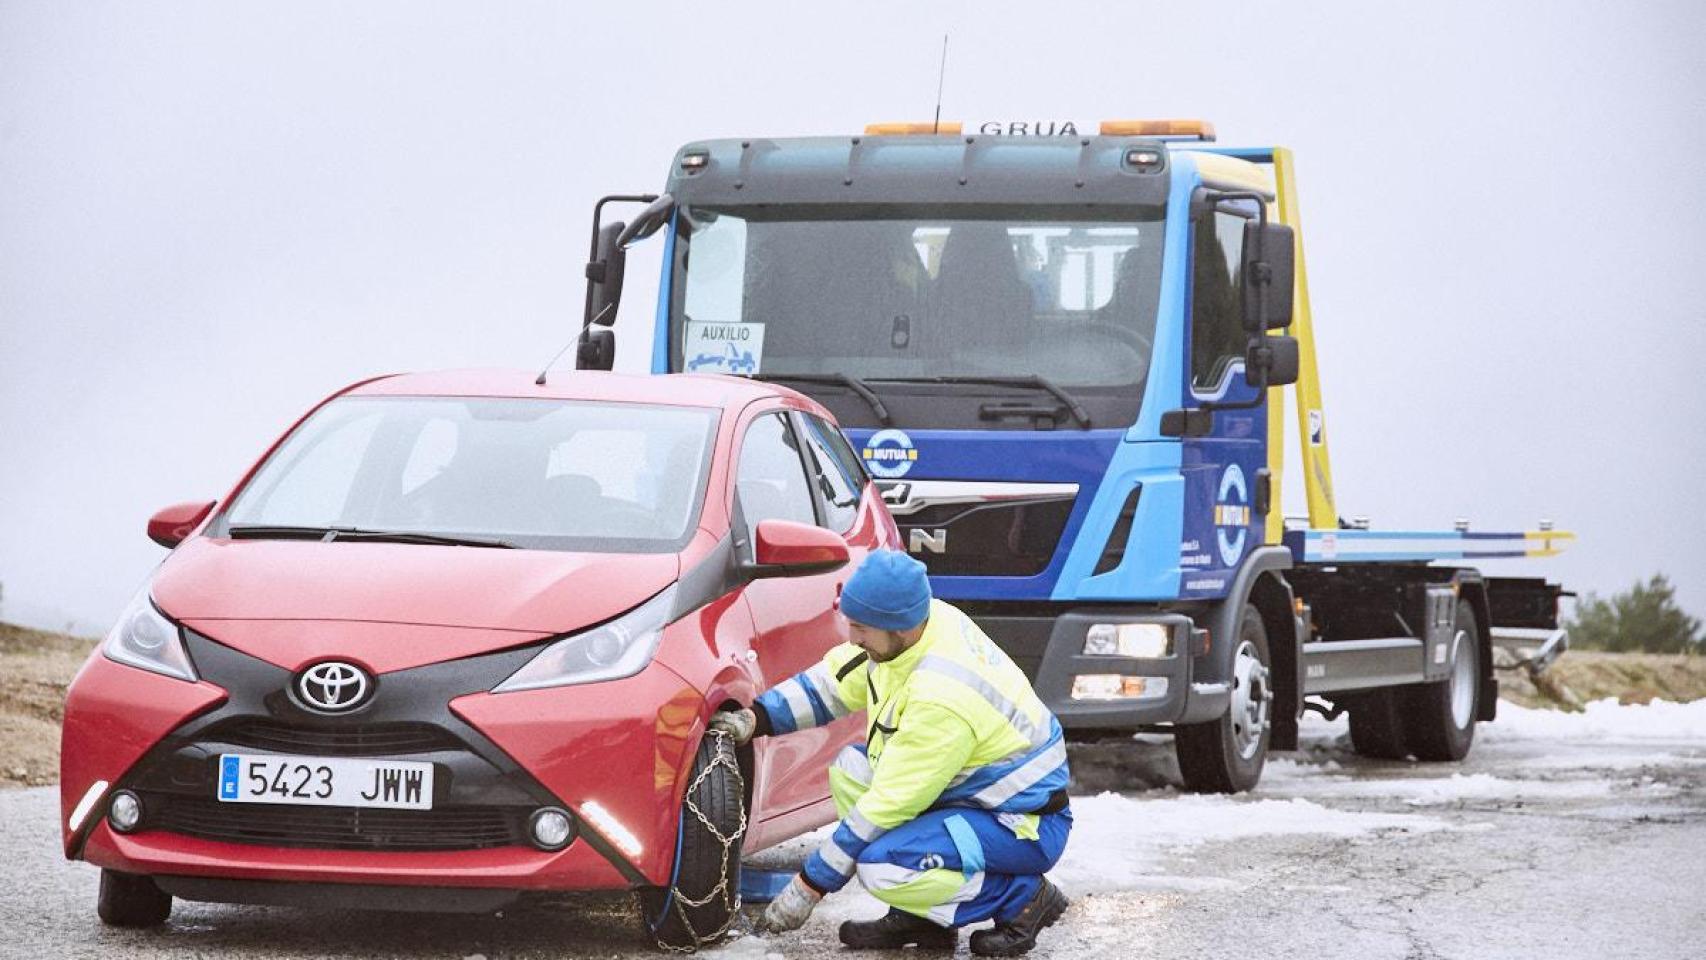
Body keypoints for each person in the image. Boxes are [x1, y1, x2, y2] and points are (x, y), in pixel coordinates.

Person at [710, 551, 1072, 956]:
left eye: (861, 628)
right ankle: (924, 918)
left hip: (1022, 822)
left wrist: (808, 887)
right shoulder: (917, 625)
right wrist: (754, 719)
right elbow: (832, 684)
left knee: (883, 868)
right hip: (974, 796)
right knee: (852, 769)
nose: (852, 638)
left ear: (899, 626)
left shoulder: (942, 698)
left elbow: (886, 806)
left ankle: (1022, 896)